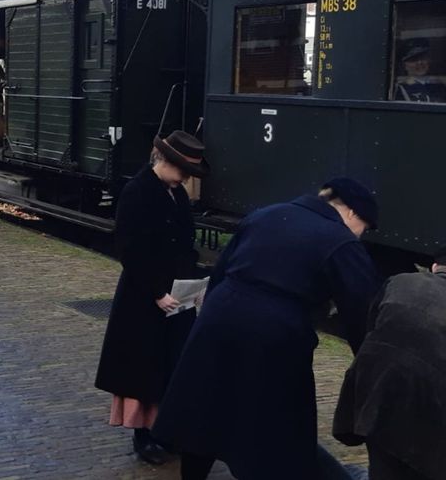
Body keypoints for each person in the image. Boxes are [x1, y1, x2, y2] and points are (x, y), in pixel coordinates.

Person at [152, 177, 384, 480]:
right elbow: (361, 312)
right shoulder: (340, 241)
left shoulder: (266, 214)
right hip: (275, 333)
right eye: (364, 228)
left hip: (220, 318)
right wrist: (370, 366)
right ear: (353, 213)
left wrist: (211, 318)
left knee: (207, 407)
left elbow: (221, 271)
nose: (360, 235)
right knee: (275, 424)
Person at [94, 131, 209, 466]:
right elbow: (130, 249)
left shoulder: (176, 195)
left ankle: (167, 430)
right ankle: (143, 435)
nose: (187, 177)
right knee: (143, 366)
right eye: (183, 169)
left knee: (174, 364)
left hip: (178, 296)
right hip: (144, 296)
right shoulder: (137, 191)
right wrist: (156, 292)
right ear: (164, 161)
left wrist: (194, 286)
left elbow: (185, 243)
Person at [333, 248, 446, 480]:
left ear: (434, 267)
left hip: (377, 393)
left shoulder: (399, 282)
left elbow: (370, 327)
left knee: (385, 462)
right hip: (431, 405)